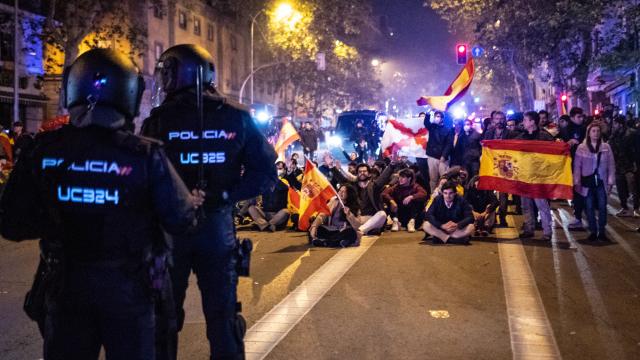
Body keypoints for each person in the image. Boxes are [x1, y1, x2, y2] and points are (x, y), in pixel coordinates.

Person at [0, 48, 200, 359]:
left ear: (72, 88)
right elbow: (181, 219)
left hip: (65, 288)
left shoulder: (42, 150)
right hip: (130, 293)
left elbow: (10, 222)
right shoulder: (145, 155)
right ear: (130, 94)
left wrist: (58, 220)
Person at [141, 44, 277, 359]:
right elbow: (266, 174)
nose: (164, 79)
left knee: (163, 322)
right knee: (223, 320)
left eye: (168, 72)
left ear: (180, 73)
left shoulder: (159, 119)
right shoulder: (238, 117)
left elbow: (146, 179)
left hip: (171, 233)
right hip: (217, 230)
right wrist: (224, 195)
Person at [511, 111, 556, 241]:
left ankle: (547, 231)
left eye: (525, 120)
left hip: (539, 177)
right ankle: (529, 228)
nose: (523, 123)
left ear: (532, 122)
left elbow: (553, 153)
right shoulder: (521, 137)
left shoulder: (544, 137)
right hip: (525, 175)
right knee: (526, 204)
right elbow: (508, 147)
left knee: (541, 204)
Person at [573, 121, 616, 242]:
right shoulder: (582, 148)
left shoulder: (606, 147)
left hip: (601, 181)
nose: (596, 133)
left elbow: (611, 165)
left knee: (602, 206)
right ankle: (593, 231)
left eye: (598, 131)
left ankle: (601, 231)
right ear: (589, 133)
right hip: (587, 181)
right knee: (589, 206)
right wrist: (577, 181)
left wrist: (610, 181)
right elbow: (577, 166)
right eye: (593, 131)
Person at [560, 107, 587, 230]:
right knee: (576, 191)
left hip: (585, 165)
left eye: (582, 117)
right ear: (571, 118)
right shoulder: (565, 130)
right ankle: (578, 217)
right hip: (571, 165)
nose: (581, 119)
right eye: (578, 117)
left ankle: (586, 216)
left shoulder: (585, 129)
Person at [609, 116, 639, 217]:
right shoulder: (614, 135)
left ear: (620, 124)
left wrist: (635, 163)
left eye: (615, 124)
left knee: (633, 187)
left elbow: (637, 149)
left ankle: (636, 208)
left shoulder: (632, 133)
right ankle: (624, 208)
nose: (613, 126)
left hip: (630, 165)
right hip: (618, 165)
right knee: (620, 187)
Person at [382, 168, 428, 233]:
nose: (400, 179)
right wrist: (392, 201)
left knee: (418, 200)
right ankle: (396, 221)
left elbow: (424, 193)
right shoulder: (396, 187)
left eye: (403, 177)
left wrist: (411, 197)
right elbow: (384, 193)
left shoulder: (415, 186)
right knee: (390, 200)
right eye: (399, 177)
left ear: (409, 178)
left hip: (413, 215)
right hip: (399, 213)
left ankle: (412, 221)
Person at [354, 163, 394, 235]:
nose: (362, 173)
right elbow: (342, 179)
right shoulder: (353, 187)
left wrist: (392, 164)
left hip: (373, 218)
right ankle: (366, 230)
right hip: (358, 218)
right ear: (357, 174)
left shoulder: (374, 186)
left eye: (364, 171)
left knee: (382, 214)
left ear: (369, 174)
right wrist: (332, 167)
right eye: (360, 172)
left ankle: (360, 231)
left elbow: (383, 177)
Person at [248, 163, 290, 231]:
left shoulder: (282, 186)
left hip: (277, 215)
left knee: (285, 211)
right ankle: (266, 225)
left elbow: (285, 189)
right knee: (251, 208)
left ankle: (267, 225)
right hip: (266, 214)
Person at [424, 111, 454, 192]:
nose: (437, 118)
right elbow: (426, 123)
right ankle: (433, 197)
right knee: (433, 179)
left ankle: (444, 196)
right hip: (432, 157)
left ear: (442, 118)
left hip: (442, 159)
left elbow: (449, 144)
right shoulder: (432, 127)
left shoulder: (448, 129)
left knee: (444, 180)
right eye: (436, 116)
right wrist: (428, 113)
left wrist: (444, 156)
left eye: (439, 116)